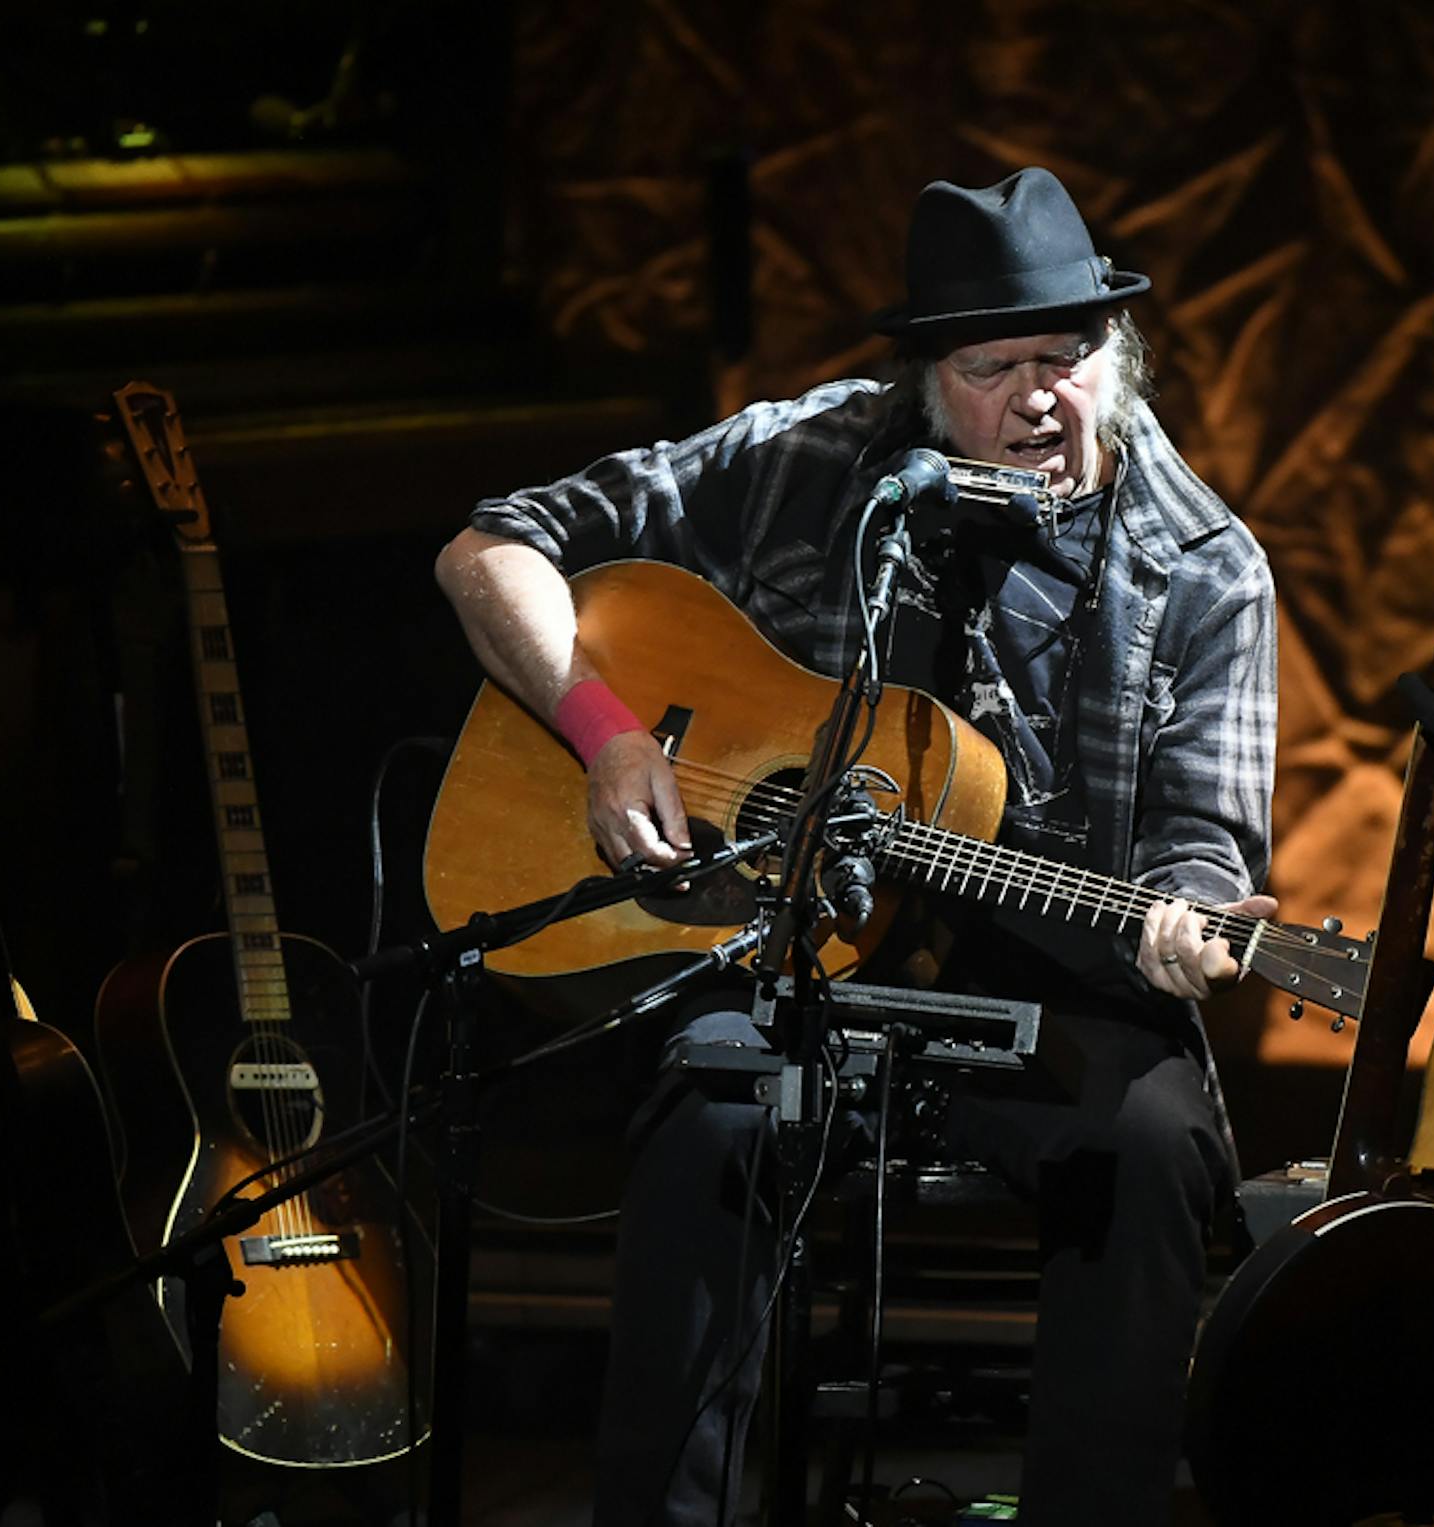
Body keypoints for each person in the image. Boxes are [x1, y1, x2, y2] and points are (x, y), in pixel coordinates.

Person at [435, 165, 1279, 1526]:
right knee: (708, 1108)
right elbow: (494, 548)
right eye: (992, 364)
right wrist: (604, 731)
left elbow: (1204, 840)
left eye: (1068, 357)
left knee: (1151, 1143)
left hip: (1049, 972)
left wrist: (1191, 920)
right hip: (794, 954)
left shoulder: (1202, 564)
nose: (1039, 397)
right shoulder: (808, 459)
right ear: (925, 379)